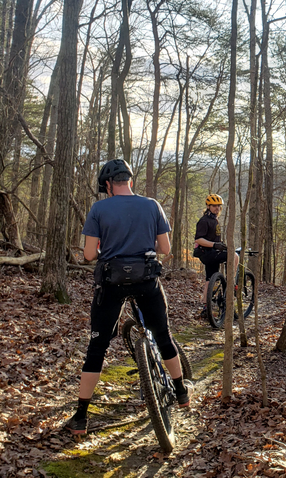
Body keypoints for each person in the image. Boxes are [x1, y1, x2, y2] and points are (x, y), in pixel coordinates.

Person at [66, 159, 191, 435]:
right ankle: (181, 392)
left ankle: (80, 417)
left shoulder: (99, 208)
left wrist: (109, 252)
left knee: (97, 347)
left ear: (109, 185)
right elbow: (165, 248)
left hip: (111, 284)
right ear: (130, 181)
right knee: (163, 335)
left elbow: (88, 255)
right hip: (146, 281)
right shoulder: (152, 205)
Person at [193, 194, 238, 315]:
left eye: (218, 206)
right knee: (234, 256)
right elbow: (198, 239)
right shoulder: (204, 221)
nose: (217, 208)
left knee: (209, 279)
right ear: (208, 206)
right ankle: (231, 282)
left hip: (212, 252)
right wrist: (214, 245)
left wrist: (220, 245)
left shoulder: (214, 219)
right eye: (214, 206)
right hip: (207, 253)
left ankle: (205, 307)